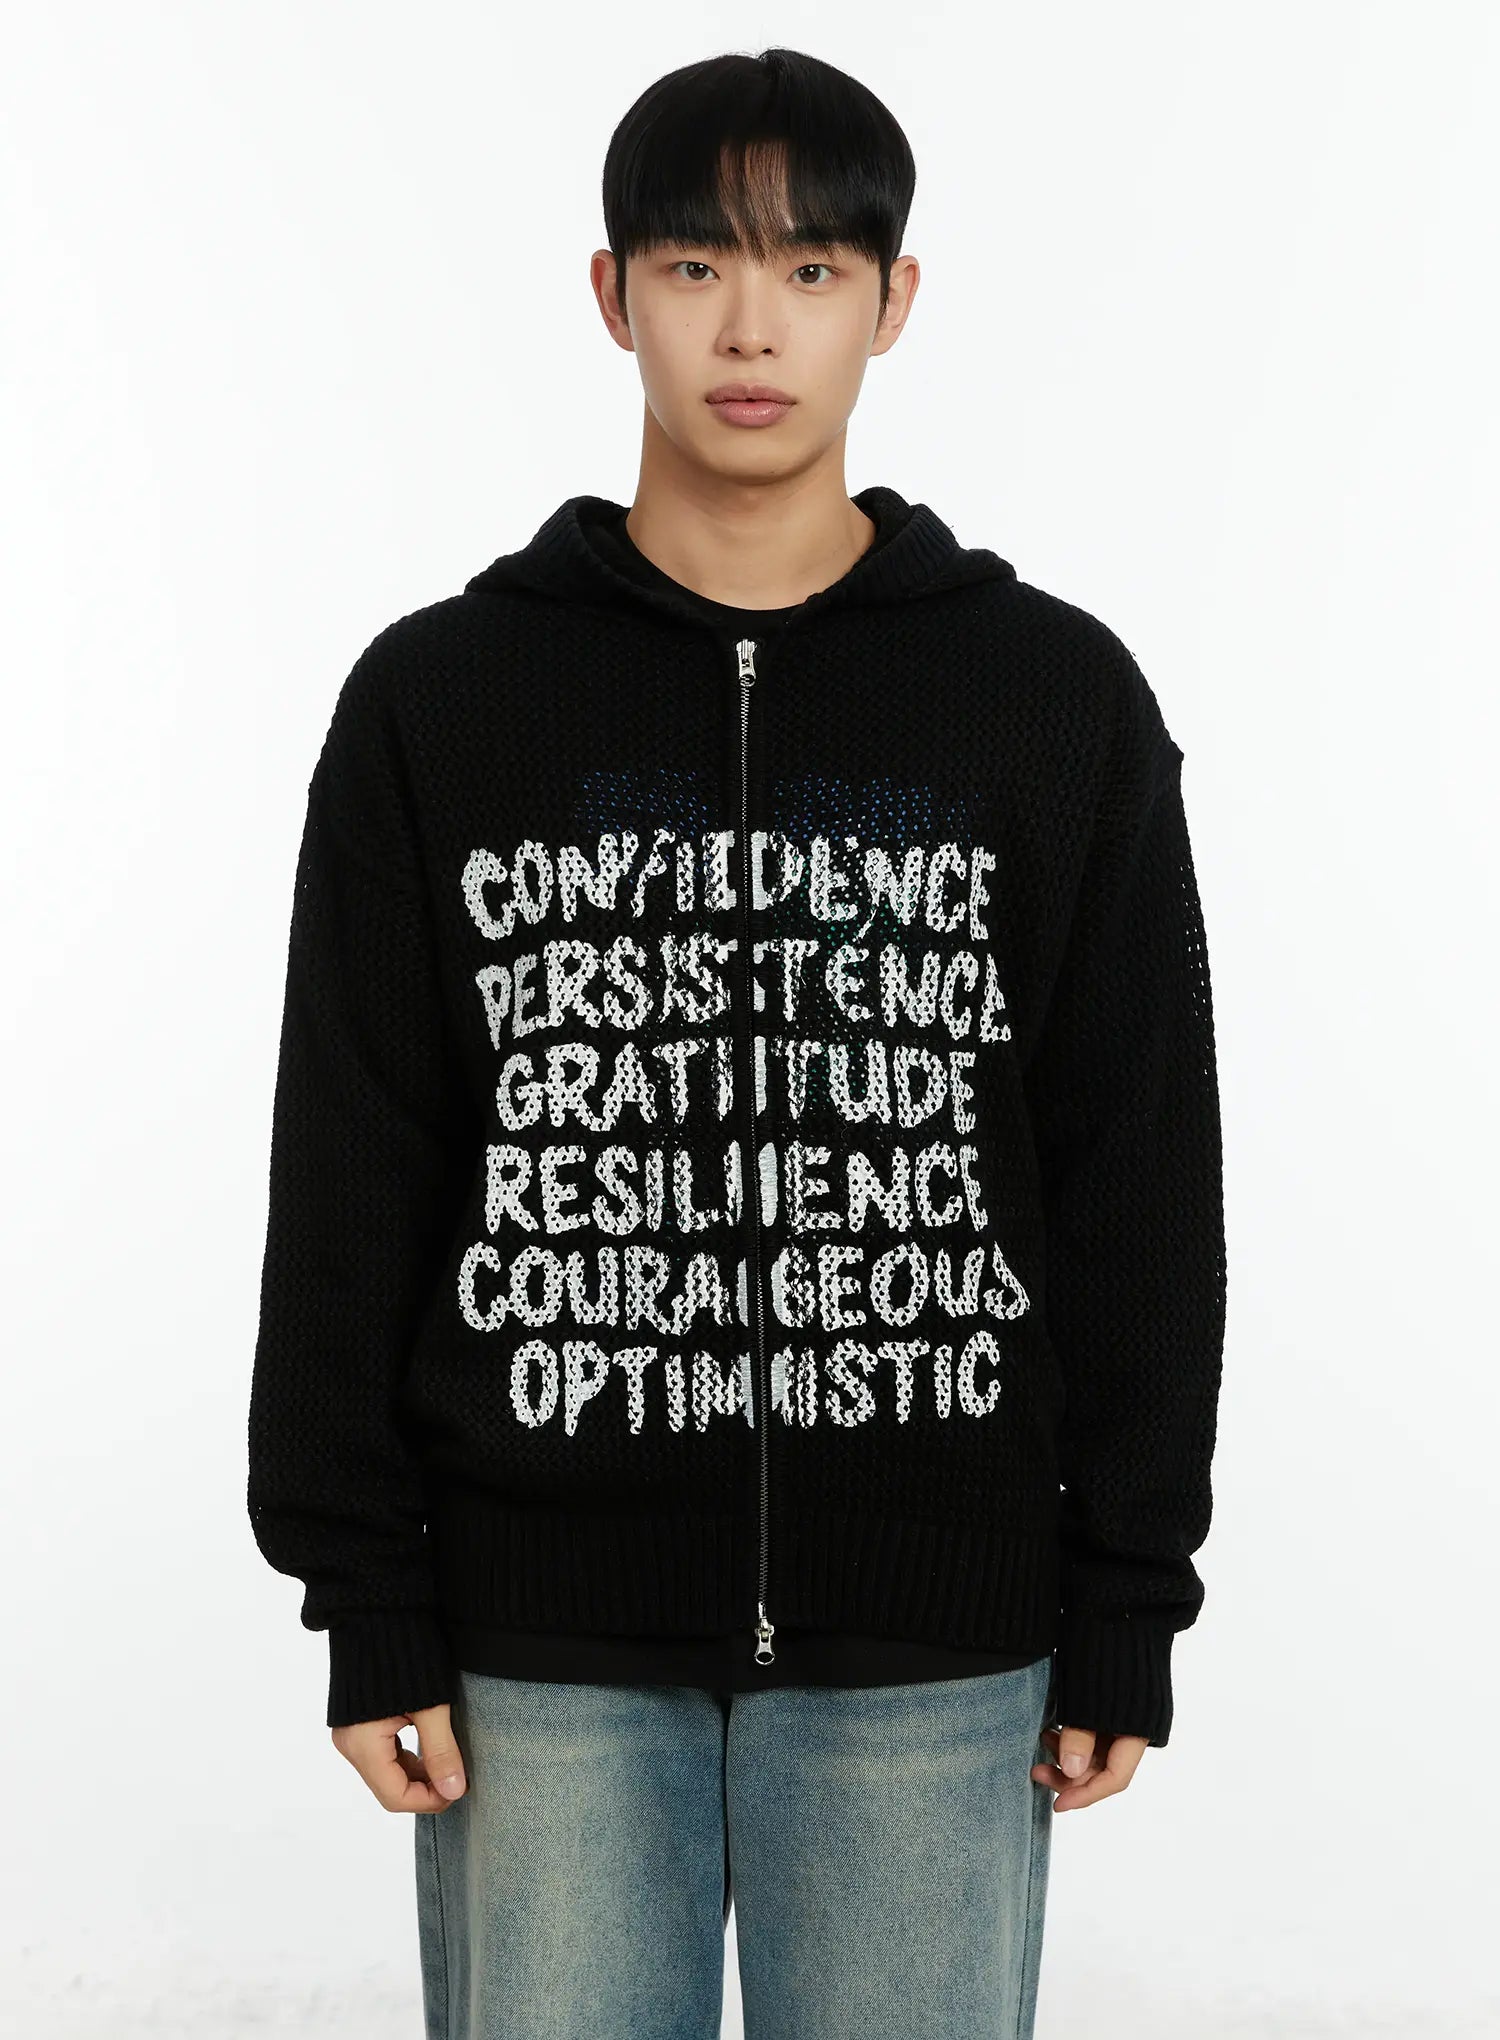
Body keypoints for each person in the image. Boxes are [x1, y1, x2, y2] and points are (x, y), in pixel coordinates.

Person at [247, 44, 1227, 2040]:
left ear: (894, 299)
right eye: (697, 265)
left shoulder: (1051, 701)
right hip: (537, 1650)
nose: (753, 327)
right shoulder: (443, 702)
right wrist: (369, 1594)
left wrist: (1129, 1591)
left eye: (810, 268)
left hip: (935, 1645)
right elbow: (358, 1155)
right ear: (613, 295)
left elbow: (1135, 1166)